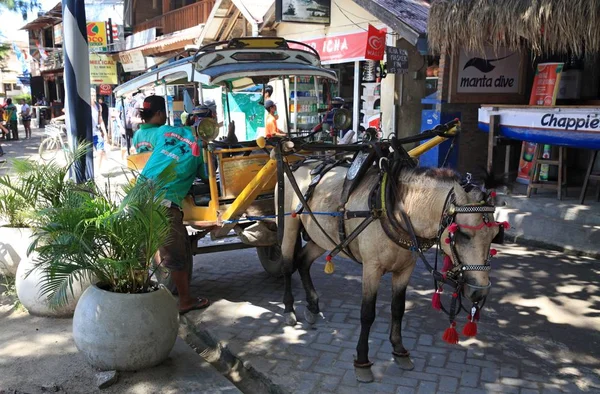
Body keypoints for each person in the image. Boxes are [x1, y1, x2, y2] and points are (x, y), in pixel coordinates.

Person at [136, 95, 209, 314]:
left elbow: (145, 136)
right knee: (176, 257)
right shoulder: (198, 147)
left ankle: (135, 296)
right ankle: (185, 301)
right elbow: (207, 177)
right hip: (164, 203)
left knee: (140, 250)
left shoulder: (164, 132)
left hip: (138, 195)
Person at [90, 89, 107, 170]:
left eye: (94, 95)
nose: (93, 97)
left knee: (100, 151)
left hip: (96, 132)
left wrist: (105, 133)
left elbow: (100, 120)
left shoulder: (98, 106)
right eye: (91, 95)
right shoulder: (85, 106)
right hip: (88, 133)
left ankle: (98, 170)